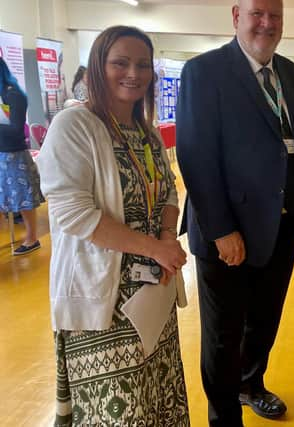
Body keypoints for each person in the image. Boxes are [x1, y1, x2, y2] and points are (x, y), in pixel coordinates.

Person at [176, 0, 294, 424]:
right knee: (223, 335)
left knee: (264, 320)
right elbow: (196, 156)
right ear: (236, 16)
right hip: (229, 233)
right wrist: (221, 230)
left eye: (275, 16)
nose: (267, 24)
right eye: (257, 14)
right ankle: (224, 415)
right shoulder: (204, 72)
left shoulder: (292, 75)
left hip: (283, 224)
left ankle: (251, 383)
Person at [37, 26, 190, 426]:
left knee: (157, 397)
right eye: (119, 62)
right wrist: (155, 249)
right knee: (120, 412)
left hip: (152, 295)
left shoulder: (147, 134)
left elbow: (170, 193)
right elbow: (75, 215)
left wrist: (166, 239)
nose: (133, 73)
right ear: (95, 69)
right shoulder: (75, 126)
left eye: (142, 65)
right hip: (104, 303)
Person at [0, 57, 44, 255]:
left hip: (13, 155)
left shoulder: (14, 95)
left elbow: (17, 129)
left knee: (23, 199)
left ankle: (31, 238)